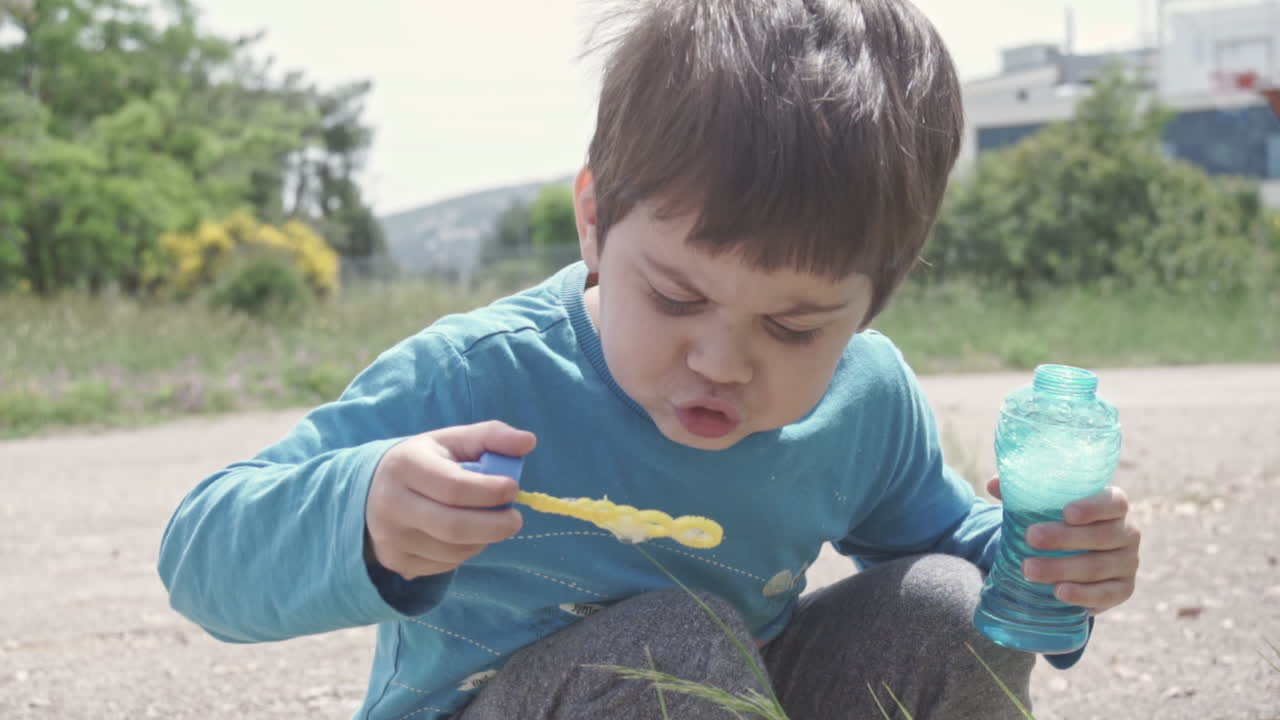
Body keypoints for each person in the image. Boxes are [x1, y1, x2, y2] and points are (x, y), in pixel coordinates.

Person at [158, 1, 1142, 718]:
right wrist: (364, 508)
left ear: (873, 301)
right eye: (675, 297)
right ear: (593, 223)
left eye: (793, 328)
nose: (719, 359)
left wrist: (1050, 565)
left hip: (727, 695)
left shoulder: (861, 400)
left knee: (943, 607)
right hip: (527, 702)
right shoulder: (483, 379)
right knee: (669, 646)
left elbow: (953, 552)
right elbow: (201, 555)